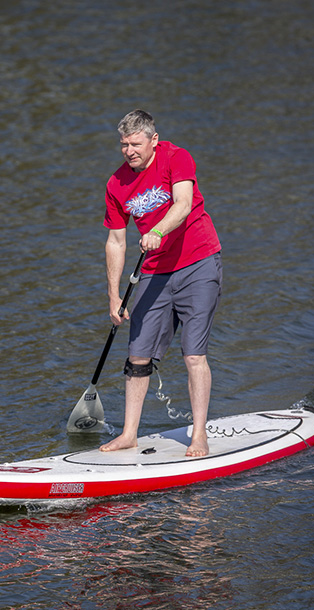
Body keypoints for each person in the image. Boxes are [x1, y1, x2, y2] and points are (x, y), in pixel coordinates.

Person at [100, 109, 222, 457]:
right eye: (123, 145)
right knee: (137, 356)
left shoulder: (175, 157)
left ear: (153, 139)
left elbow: (183, 204)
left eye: (136, 144)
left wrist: (156, 230)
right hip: (155, 272)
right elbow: (116, 242)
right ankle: (129, 434)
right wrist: (113, 296)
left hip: (198, 263)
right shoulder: (116, 184)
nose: (129, 151)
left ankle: (199, 435)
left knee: (193, 354)